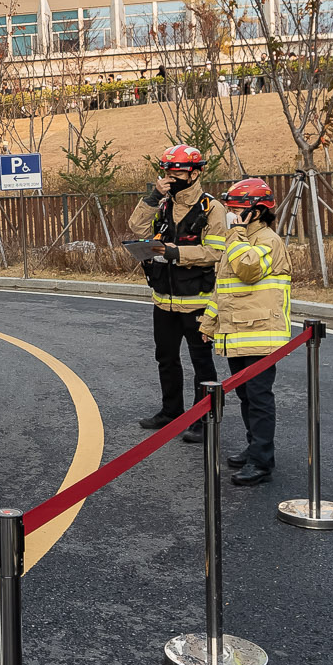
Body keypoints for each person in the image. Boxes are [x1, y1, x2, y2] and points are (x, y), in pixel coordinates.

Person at [128, 143, 230, 443]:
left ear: (196, 173)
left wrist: (174, 253)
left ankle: (204, 417)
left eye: (178, 171)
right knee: (166, 358)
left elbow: (214, 252)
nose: (171, 177)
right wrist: (153, 196)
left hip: (197, 302)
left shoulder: (212, 208)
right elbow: (136, 226)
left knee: (201, 361)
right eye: (167, 171)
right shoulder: (162, 202)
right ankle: (171, 411)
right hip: (163, 300)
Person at [207, 177, 292, 485]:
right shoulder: (240, 239)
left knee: (258, 397)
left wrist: (234, 234)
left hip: (261, 335)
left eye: (236, 210)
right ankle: (253, 447)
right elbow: (224, 289)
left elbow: (247, 268)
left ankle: (262, 461)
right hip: (237, 332)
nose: (230, 214)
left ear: (255, 212)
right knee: (245, 396)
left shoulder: (268, 240)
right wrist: (209, 323)